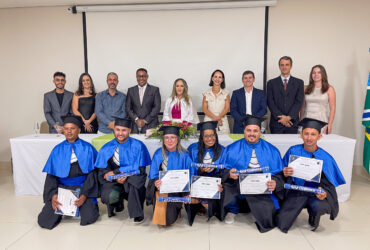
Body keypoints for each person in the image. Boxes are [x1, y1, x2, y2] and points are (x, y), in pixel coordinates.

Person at [276, 118, 345, 233]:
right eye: (306, 134)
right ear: (301, 135)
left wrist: (324, 193)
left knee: (319, 205)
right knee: (282, 222)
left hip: (315, 193)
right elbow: (281, 171)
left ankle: (314, 215)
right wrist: (285, 171)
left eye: (313, 134)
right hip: (297, 190)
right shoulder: (293, 151)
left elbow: (330, 184)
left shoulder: (325, 157)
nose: (309, 138)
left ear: (319, 136)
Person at [221, 115, 284, 233]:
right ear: (244, 131)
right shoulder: (231, 149)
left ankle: (257, 211)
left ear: (260, 132)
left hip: (261, 187)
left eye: (255, 131)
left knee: (269, 215)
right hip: (239, 185)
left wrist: (275, 182)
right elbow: (222, 169)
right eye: (248, 130)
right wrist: (229, 174)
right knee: (226, 186)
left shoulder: (272, 150)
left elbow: (279, 174)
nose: (252, 134)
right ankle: (232, 210)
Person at [37, 115, 99, 229]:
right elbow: (51, 176)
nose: (69, 131)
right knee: (44, 221)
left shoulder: (88, 148)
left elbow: (92, 175)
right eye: (66, 128)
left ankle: (78, 206)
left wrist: (84, 195)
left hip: (82, 188)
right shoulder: (57, 149)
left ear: (79, 130)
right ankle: (65, 208)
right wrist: (54, 195)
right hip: (62, 189)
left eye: (72, 128)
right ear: (63, 130)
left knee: (89, 217)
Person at [95, 117, 151, 223]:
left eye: (124, 130)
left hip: (132, 178)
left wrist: (120, 173)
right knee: (107, 195)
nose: (120, 133)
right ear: (114, 130)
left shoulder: (138, 146)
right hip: (114, 181)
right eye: (118, 130)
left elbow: (141, 169)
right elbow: (103, 169)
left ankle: (137, 214)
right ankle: (116, 204)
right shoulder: (107, 147)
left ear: (129, 131)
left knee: (136, 183)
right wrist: (115, 177)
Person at [146, 126, 194, 226]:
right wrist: (156, 182)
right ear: (163, 140)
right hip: (162, 188)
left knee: (168, 220)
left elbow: (191, 175)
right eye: (166, 137)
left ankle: (177, 208)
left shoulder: (185, 155)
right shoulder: (158, 154)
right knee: (162, 221)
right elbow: (153, 174)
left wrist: (187, 192)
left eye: (173, 137)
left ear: (178, 139)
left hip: (178, 190)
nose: (170, 140)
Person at [187, 121, 225, 225]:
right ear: (202, 138)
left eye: (212, 135)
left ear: (216, 136)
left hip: (214, 180)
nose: (210, 139)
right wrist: (201, 170)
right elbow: (189, 168)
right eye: (206, 136)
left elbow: (225, 170)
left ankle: (208, 205)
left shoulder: (222, 150)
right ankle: (199, 205)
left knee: (212, 201)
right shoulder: (193, 148)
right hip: (198, 179)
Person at [267, 56, 304, 134]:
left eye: (287, 64)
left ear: (291, 66)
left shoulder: (299, 83)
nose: (284, 67)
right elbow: (270, 102)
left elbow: (299, 102)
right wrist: (282, 119)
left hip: (292, 123)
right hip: (276, 123)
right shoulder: (271, 83)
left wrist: (289, 117)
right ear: (279, 66)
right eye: (282, 65)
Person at [300, 65, 336, 134]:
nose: (316, 75)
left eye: (319, 72)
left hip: (322, 121)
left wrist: (330, 125)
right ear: (311, 75)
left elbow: (333, 108)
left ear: (323, 74)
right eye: (314, 73)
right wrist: (300, 121)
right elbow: (303, 107)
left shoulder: (329, 89)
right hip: (306, 121)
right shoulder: (305, 88)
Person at [125, 68, 161, 134]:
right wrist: (136, 119)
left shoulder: (155, 90)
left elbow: (157, 107)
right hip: (134, 126)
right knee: (135, 144)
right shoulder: (131, 90)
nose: (141, 78)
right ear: (136, 77)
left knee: (151, 144)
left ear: (147, 77)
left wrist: (145, 120)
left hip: (151, 125)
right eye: (139, 76)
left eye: (144, 76)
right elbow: (128, 108)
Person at [202, 70, 230, 134]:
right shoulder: (206, 93)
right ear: (212, 78)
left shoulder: (226, 93)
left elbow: (227, 108)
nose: (217, 79)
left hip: (222, 122)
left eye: (220, 77)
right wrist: (216, 118)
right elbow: (205, 109)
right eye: (215, 77)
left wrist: (219, 117)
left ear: (222, 80)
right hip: (209, 121)